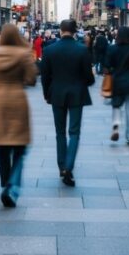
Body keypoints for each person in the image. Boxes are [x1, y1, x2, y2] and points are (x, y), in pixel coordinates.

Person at [0, 23, 38, 207]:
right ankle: (12, 185)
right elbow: (31, 79)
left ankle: (5, 183)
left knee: (3, 147)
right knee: (20, 148)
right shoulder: (23, 55)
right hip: (17, 101)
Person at [40, 19, 95, 187]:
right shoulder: (82, 50)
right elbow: (88, 77)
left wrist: (47, 94)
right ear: (75, 30)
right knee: (74, 132)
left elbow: (45, 77)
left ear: (61, 30)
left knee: (60, 132)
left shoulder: (49, 50)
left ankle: (62, 166)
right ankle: (69, 166)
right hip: (77, 94)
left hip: (57, 94)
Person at [104, 27, 129, 145]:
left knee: (116, 105)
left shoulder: (112, 49)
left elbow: (107, 66)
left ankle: (116, 124)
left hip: (117, 82)